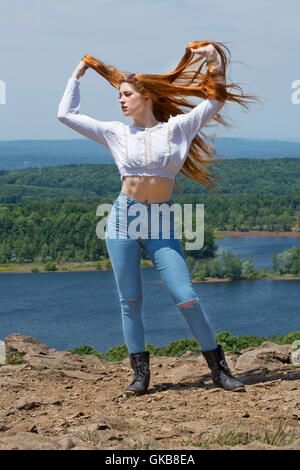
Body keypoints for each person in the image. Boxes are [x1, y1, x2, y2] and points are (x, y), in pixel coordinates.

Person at [57, 41, 258, 394]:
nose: (120, 100)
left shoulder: (177, 128)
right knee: (130, 300)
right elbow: (66, 115)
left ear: (146, 97)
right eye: (119, 94)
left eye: (127, 94)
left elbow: (215, 101)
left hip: (161, 222)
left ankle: (219, 369)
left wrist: (212, 60)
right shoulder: (114, 132)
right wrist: (77, 75)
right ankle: (139, 374)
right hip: (122, 219)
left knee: (186, 297)